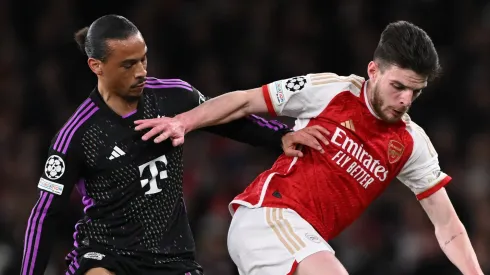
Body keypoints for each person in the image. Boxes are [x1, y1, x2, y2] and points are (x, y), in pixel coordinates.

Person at [134, 21, 484, 275]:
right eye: (398, 86)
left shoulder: (411, 144)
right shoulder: (332, 92)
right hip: (270, 216)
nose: (406, 99)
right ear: (373, 71)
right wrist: (184, 122)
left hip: (300, 242)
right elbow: (244, 102)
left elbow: (449, 227)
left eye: (415, 91)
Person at [20, 14, 330, 275]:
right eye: (128, 65)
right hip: (106, 253)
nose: (141, 71)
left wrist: (278, 136)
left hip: (172, 255)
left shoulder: (172, 95)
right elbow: (44, 214)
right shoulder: (77, 134)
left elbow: (225, 118)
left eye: (143, 59)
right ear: (96, 66)